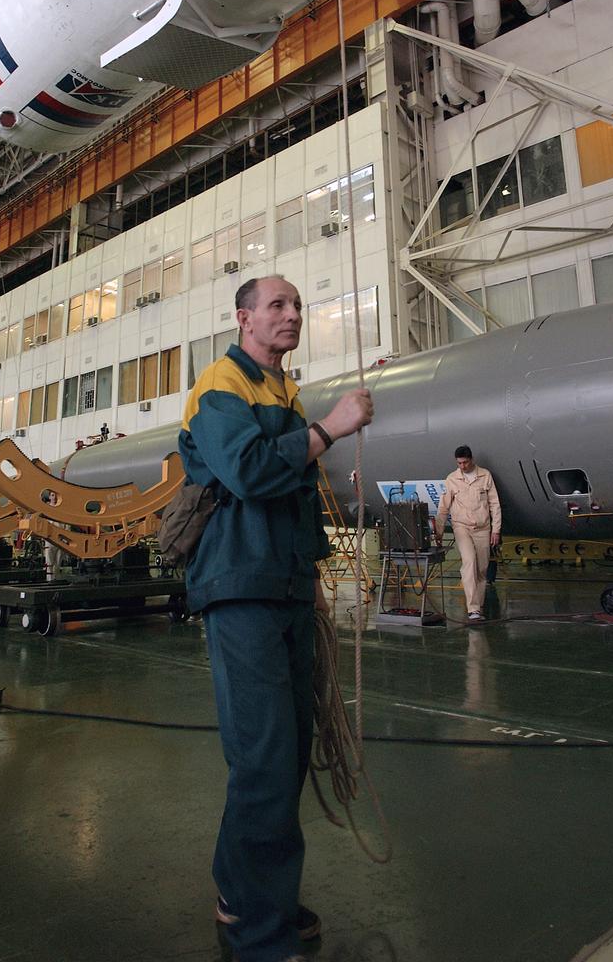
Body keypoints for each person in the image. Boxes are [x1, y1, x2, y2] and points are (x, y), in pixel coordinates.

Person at [179, 275, 373, 962]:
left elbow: (291, 492)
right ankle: (261, 932)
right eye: (277, 306)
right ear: (244, 318)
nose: (292, 315)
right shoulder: (220, 386)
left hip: (284, 583)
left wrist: (310, 579)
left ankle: (244, 894)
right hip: (240, 586)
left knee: (285, 753)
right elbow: (251, 475)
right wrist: (329, 429)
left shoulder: (281, 393)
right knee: (263, 758)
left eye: (297, 306)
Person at [435, 445, 501, 621]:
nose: (462, 466)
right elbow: (443, 508)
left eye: (464, 462)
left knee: (481, 569)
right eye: (459, 463)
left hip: (483, 528)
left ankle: (477, 608)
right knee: (469, 561)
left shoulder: (485, 476)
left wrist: (496, 530)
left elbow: (495, 504)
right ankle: (472, 609)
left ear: (471, 460)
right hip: (461, 527)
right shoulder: (452, 479)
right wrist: (438, 532)